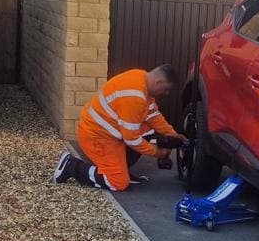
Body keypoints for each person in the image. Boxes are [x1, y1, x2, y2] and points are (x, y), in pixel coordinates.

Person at [53, 64, 187, 191]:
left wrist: (173, 134)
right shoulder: (135, 96)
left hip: (106, 133)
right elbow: (131, 139)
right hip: (97, 138)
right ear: (158, 82)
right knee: (118, 182)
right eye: (166, 89)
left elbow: (153, 116)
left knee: (147, 127)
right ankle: (72, 165)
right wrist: (157, 153)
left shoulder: (141, 77)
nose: (167, 93)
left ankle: (120, 168)